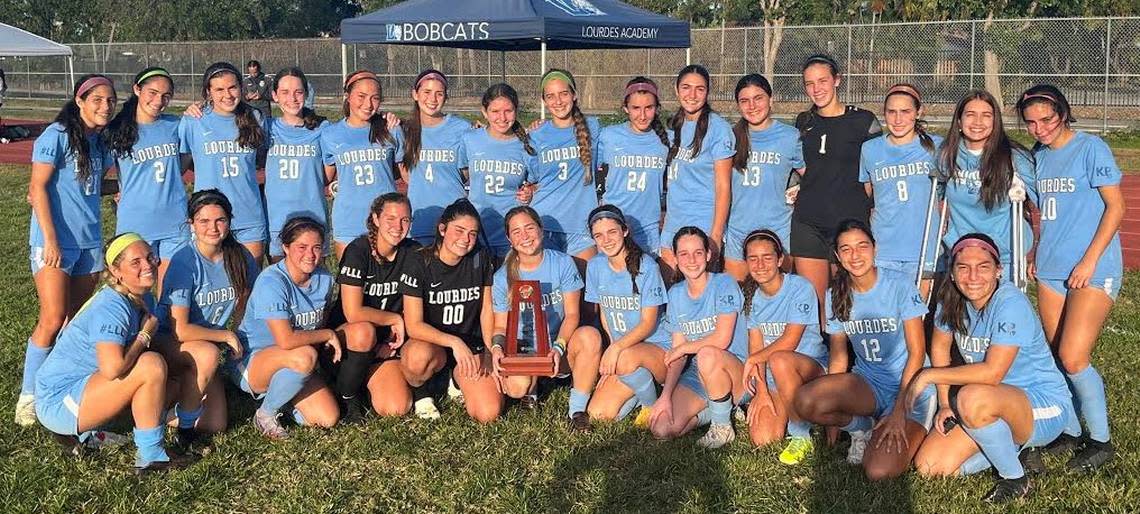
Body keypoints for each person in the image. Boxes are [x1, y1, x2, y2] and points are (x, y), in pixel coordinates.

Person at [908, 233, 1075, 503]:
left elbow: (992, 373)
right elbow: (939, 347)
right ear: (951, 273)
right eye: (963, 267)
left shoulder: (1010, 302)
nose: (973, 276)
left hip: (1040, 404)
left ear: (998, 270)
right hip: (989, 402)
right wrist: (944, 404)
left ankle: (1015, 478)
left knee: (970, 397)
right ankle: (1010, 447)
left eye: (983, 267)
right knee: (930, 466)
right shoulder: (952, 299)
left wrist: (927, 375)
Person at [1017, 85, 1124, 471]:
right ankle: (1070, 429)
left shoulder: (1091, 148)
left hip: (1092, 269)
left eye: (1046, 119)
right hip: (1050, 269)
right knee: (1055, 355)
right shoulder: (1038, 157)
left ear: (1063, 112)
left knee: (1073, 357)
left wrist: (1089, 261)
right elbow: (1044, 212)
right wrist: (1035, 250)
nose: (1039, 128)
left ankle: (1100, 440)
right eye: (1030, 122)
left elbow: (1116, 207)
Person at [35, 233, 196, 473]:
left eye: (150, 257)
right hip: (58, 399)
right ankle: (151, 457)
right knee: (151, 365)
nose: (148, 265)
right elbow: (113, 369)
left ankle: (93, 434)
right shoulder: (112, 305)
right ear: (116, 271)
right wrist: (144, 336)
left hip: (85, 385)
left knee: (170, 382)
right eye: (136, 262)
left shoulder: (143, 297)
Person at [794, 219, 934, 480]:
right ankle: (861, 428)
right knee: (806, 401)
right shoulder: (836, 293)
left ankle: (903, 432)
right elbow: (838, 357)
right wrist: (834, 422)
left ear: (875, 248)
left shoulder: (899, 285)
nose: (855, 255)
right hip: (868, 384)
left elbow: (917, 353)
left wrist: (898, 411)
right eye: (845, 249)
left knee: (878, 471)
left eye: (862, 246)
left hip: (911, 387)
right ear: (837, 255)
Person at [17, 74, 117, 426]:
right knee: (52, 318)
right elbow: (38, 187)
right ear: (80, 100)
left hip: (89, 243)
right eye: (98, 100)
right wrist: (51, 239)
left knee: (74, 325)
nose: (105, 107)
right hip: (55, 243)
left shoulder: (99, 142)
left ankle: (60, 386)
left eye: (110, 101)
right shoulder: (57, 135)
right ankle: (29, 395)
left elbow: (92, 186)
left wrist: (122, 187)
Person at [231, 216, 360, 438]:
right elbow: (286, 340)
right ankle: (265, 414)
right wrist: (328, 334)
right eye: (301, 247)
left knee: (327, 418)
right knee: (305, 355)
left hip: (296, 360)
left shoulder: (325, 279)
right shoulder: (272, 281)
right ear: (285, 247)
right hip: (254, 361)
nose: (310, 255)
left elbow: (322, 318)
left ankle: (284, 397)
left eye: (316, 247)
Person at [155, 189, 258, 452]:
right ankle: (185, 433)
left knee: (215, 424)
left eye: (220, 220)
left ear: (230, 221)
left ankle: (163, 412)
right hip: (171, 342)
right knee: (209, 353)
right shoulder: (184, 261)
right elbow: (180, 329)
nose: (213, 228)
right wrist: (225, 335)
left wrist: (240, 330)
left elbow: (251, 300)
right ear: (191, 224)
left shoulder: (240, 256)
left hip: (206, 346)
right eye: (204, 221)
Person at [333, 193, 445, 421]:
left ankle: (371, 380)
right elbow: (353, 312)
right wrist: (396, 320)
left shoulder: (414, 252)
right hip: (352, 340)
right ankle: (348, 399)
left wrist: (392, 340)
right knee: (364, 330)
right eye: (391, 218)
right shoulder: (358, 250)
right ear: (375, 219)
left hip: (390, 343)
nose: (398, 226)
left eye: (405, 220)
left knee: (395, 407)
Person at [490, 206, 601, 430]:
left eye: (529, 228)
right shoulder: (502, 276)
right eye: (517, 232)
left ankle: (576, 410)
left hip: (560, 344)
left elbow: (572, 315)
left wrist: (558, 347)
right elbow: (500, 325)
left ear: (541, 230)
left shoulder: (562, 263)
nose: (525, 236)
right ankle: (530, 391)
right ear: (509, 239)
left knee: (590, 336)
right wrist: (496, 348)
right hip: (526, 348)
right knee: (517, 387)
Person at [790, 54, 881, 308]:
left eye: (822, 81)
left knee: (847, 301)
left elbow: (874, 176)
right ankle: (819, 349)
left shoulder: (863, 121)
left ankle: (847, 349)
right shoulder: (804, 122)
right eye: (809, 83)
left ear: (837, 80)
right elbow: (805, 168)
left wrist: (870, 210)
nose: (816, 89)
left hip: (849, 224)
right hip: (809, 223)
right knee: (815, 303)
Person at [401, 198, 502, 423]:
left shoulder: (480, 257)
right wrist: (454, 343)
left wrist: (488, 349)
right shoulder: (419, 261)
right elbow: (414, 325)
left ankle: (454, 380)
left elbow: (487, 309)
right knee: (417, 358)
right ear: (442, 229)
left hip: (470, 345)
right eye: (459, 230)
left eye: (473, 233)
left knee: (488, 413)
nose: (466, 239)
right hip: (432, 345)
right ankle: (422, 393)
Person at [649, 226, 749, 449]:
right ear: (675, 258)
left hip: (734, 370)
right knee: (662, 428)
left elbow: (721, 339)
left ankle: (722, 427)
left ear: (709, 254)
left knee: (707, 354)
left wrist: (684, 348)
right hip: (699, 372)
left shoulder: (724, 283)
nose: (692, 260)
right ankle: (723, 409)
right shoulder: (675, 293)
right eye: (684, 254)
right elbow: (677, 351)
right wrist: (665, 396)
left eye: (698, 252)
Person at [739, 230, 827, 465]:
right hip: (774, 375)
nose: (760, 265)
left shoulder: (799, 287)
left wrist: (753, 359)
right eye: (753, 258)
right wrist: (762, 391)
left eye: (767, 257)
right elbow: (755, 347)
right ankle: (791, 410)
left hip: (808, 368)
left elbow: (790, 341)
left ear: (779, 260)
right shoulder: (753, 297)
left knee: (780, 358)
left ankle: (800, 434)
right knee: (763, 439)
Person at [582, 205, 670, 424]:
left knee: (624, 359)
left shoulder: (647, 266)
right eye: (598, 235)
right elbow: (605, 312)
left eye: (612, 232)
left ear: (625, 231)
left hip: (658, 349)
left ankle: (650, 405)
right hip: (624, 353)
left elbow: (649, 323)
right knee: (598, 415)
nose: (606, 240)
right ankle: (641, 388)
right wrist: (613, 346)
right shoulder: (595, 266)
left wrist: (615, 349)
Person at [105, 67, 187, 294]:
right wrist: (123, 187)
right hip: (136, 223)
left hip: (175, 221)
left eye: (166, 96)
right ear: (137, 89)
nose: (158, 100)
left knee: (172, 292)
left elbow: (185, 159)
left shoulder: (175, 125)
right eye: (152, 92)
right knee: (134, 292)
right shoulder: (117, 131)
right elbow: (94, 177)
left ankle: (165, 330)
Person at [938, 89, 1036, 278]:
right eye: (970, 115)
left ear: (995, 121)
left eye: (986, 116)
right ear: (959, 121)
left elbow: (1041, 202)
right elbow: (936, 192)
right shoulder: (947, 156)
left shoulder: (1015, 158)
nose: (977, 122)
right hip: (962, 253)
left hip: (1005, 255)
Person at [180, 62, 268, 263]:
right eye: (219, 89)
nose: (227, 95)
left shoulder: (255, 117)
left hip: (248, 215)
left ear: (241, 87)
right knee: (212, 285)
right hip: (209, 217)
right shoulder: (194, 120)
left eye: (232, 87)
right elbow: (179, 166)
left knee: (249, 285)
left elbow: (265, 157)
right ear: (208, 92)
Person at [858, 83, 943, 296]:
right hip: (885, 248)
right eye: (891, 112)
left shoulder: (936, 147)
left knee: (919, 319)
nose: (898, 119)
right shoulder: (871, 149)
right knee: (889, 319)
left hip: (924, 247)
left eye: (905, 112)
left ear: (918, 112)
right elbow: (868, 195)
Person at [725, 74, 804, 281]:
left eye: (758, 98)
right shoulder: (729, 137)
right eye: (744, 101)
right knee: (739, 301)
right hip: (738, 232)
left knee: (778, 299)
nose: (752, 106)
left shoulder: (790, 136)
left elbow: (812, 178)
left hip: (779, 230)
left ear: (771, 99)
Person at [321, 70, 405, 259]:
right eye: (361, 96)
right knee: (350, 284)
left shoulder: (390, 128)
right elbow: (325, 177)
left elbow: (405, 173)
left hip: (386, 221)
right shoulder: (331, 134)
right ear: (347, 96)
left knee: (385, 285)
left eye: (375, 98)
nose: (368, 104)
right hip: (349, 220)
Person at [659, 65, 734, 269]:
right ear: (676, 89)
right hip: (673, 226)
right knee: (673, 295)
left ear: (707, 92)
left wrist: (715, 235)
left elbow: (723, 186)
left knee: (701, 294)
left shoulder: (719, 129)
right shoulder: (673, 126)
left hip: (703, 226)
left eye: (700, 89)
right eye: (686, 87)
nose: (692, 95)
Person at [529, 69, 601, 265]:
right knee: (546, 290)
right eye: (550, 96)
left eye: (563, 94)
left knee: (585, 290)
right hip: (546, 222)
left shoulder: (593, 128)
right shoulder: (536, 134)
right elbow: (531, 179)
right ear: (544, 101)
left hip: (581, 226)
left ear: (574, 95)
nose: (558, 101)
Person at [461, 84, 538, 258]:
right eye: (495, 111)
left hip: (512, 235)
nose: (502, 118)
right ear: (484, 112)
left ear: (516, 110)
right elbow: (461, 175)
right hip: (477, 232)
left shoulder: (527, 144)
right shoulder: (470, 139)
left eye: (508, 111)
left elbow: (538, 182)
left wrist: (530, 191)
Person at [597, 77, 670, 253]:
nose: (643, 115)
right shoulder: (609, 136)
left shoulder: (668, 139)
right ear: (625, 108)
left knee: (645, 277)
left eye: (649, 108)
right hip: (614, 223)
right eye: (636, 108)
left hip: (648, 226)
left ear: (657, 108)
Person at [265, 67, 330, 262]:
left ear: (306, 94)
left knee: (314, 286)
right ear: (275, 95)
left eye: (298, 92)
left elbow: (327, 175)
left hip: (313, 219)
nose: (292, 98)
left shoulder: (322, 129)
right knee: (282, 285)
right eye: (284, 92)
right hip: (277, 221)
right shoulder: (266, 127)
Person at [402, 69, 472, 245]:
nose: (432, 99)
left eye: (439, 94)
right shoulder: (404, 130)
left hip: (453, 220)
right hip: (420, 219)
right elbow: (406, 174)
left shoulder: (461, 128)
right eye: (426, 92)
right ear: (415, 94)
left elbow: (467, 173)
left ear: (446, 97)